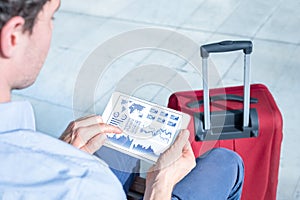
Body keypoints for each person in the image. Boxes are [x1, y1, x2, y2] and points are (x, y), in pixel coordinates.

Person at [0, 0, 244, 199]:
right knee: (227, 162)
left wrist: (59, 153)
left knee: (115, 144)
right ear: (13, 36)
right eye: (51, 18)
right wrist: (159, 186)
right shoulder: (84, 185)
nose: (51, 30)